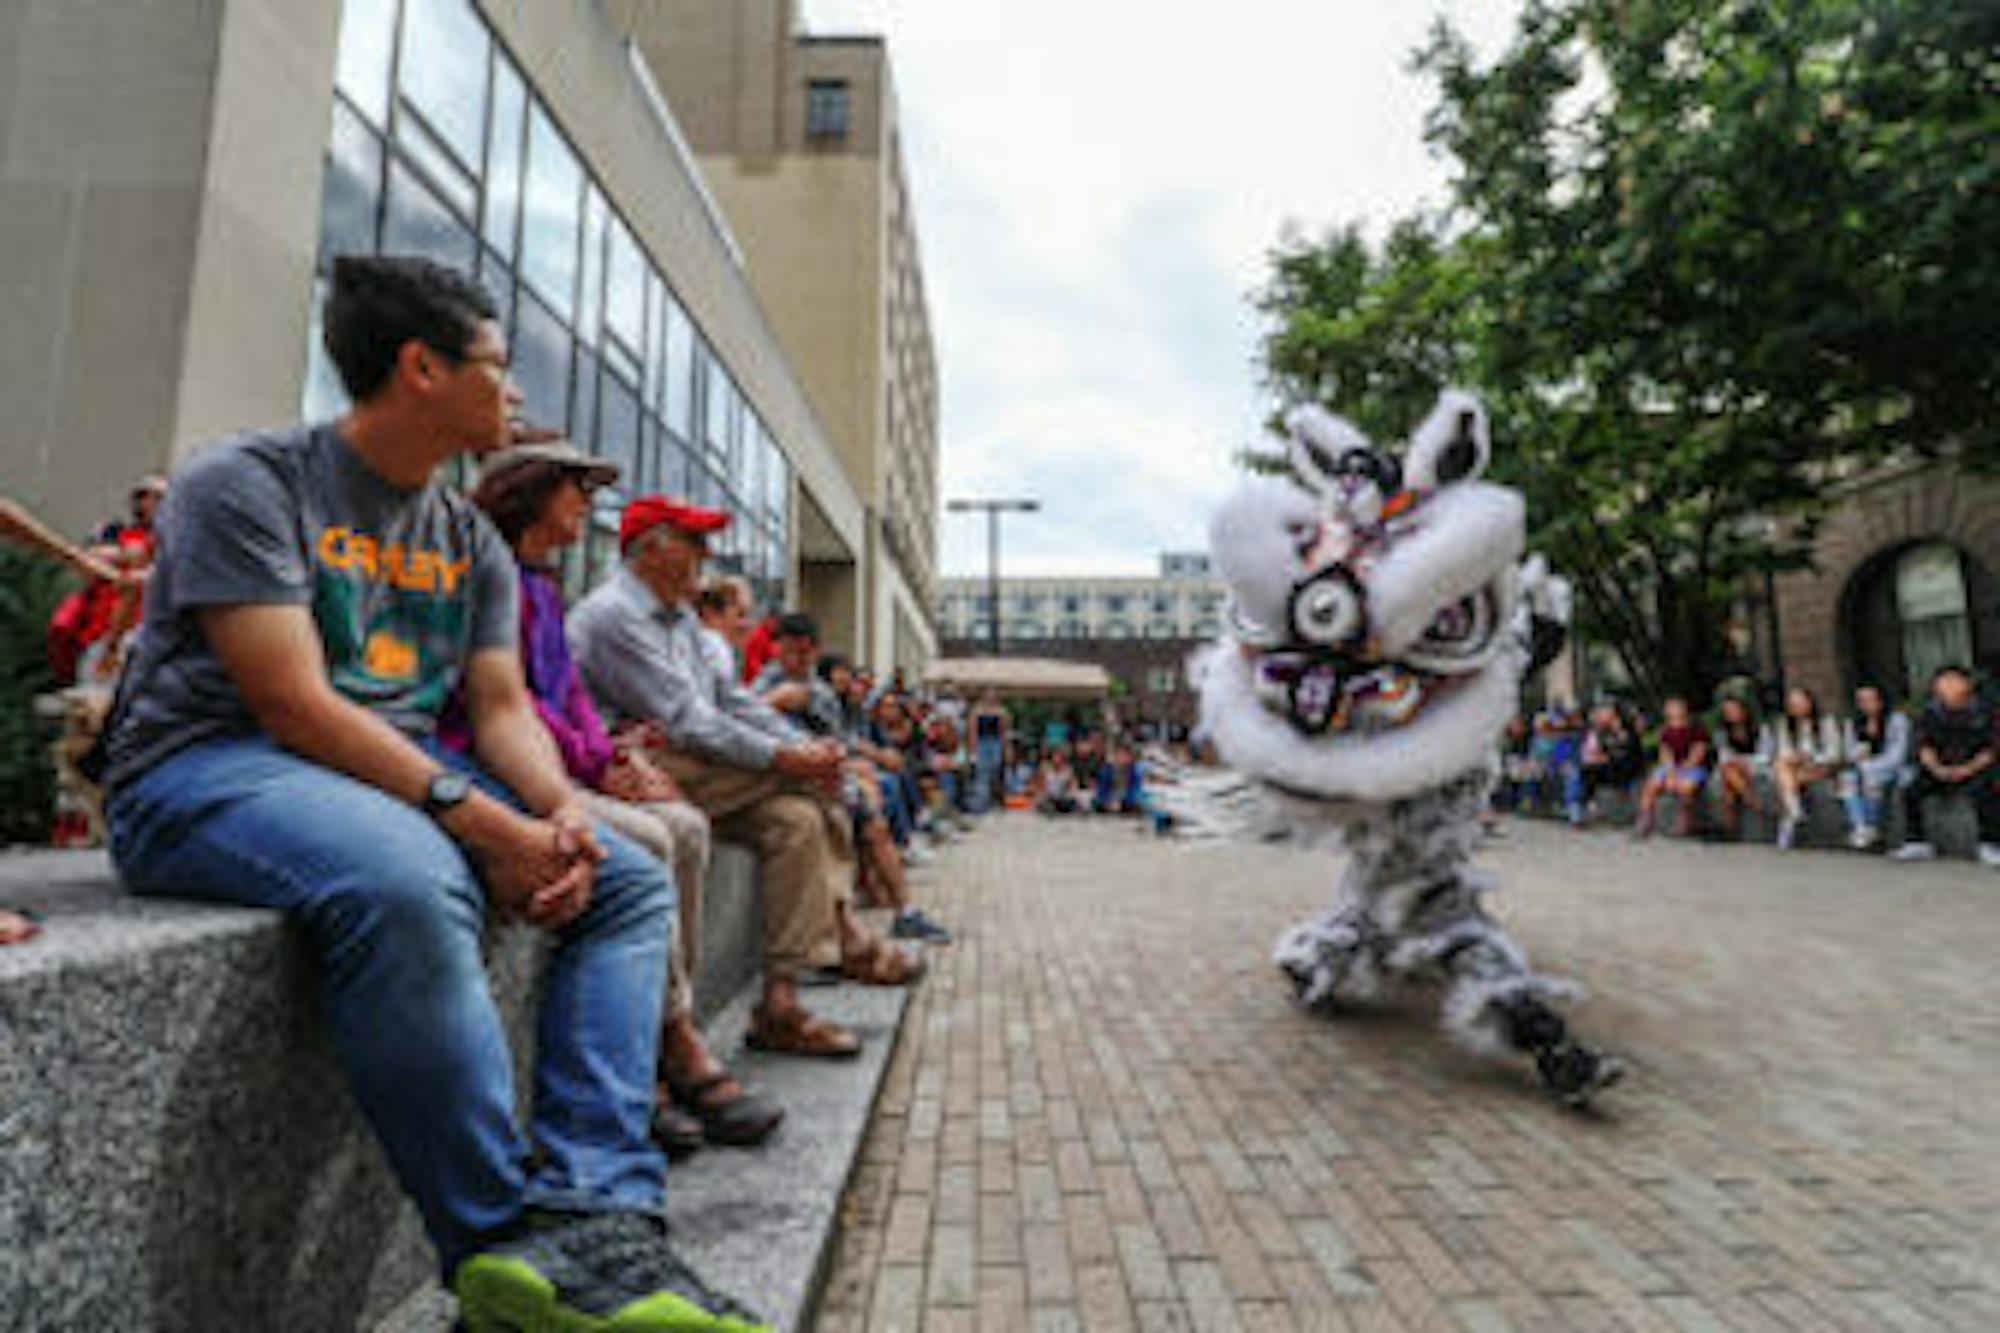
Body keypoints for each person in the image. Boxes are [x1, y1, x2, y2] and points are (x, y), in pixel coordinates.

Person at [97, 256, 762, 1328]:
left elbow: (500, 708)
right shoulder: (249, 482)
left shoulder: (465, 537)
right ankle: (497, 1243)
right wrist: (476, 819)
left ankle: (597, 1220)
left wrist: (555, 814)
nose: (514, 397)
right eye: (497, 368)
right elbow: (291, 702)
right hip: (205, 772)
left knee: (628, 880)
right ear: (419, 367)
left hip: (376, 777)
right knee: (411, 880)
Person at [465, 440, 782, 1158]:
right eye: (575, 488)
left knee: (687, 826)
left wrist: (608, 757)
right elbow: (504, 699)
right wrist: (599, 765)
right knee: (653, 837)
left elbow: (567, 696)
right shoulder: (504, 578)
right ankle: (664, 1047)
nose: (586, 504)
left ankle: (675, 1028)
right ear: (532, 491)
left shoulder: (543, 583)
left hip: (571, 764)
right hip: (508, 772)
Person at [569, 494, 924, 1062]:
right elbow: (688, 722)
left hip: (693, 763)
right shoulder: (612, 614)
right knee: (818, 787)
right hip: (635, 766)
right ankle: (849, 939)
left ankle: (780, 1005)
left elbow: (731, 700)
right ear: (654, 548)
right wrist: (792, 761)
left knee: (799, 819)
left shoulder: (678, 616)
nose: (705, 557)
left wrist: (800, 747)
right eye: (695, 543)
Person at [752, 616, 951, 945]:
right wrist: (776, 701)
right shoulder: (766, 683)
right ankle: (834, 933)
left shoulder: (820, 692)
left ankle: (906, 912)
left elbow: (839, 741)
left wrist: (851, 765)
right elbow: (740, 724)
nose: (794, 661)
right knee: (852, 806)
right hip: (782, 777)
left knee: (874, 818)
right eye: (787, 652)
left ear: (813, 651)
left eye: (802, 654)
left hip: (826, 775)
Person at [1891, 665, 2000, 865]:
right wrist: (1937, 768)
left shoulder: (1985, 711)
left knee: (1988, 790)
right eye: (1943, 681)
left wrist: (1968, 769)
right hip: (1940, 768)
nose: (1947, 686)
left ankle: (1990, 843)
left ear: (1967, 684)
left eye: (1953, 680)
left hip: (1975, 767)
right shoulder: (1930, 712)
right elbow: (1924, 746)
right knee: (1911, 788)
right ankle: (1917, 842)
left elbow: (1992, 749)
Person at [1770, 685, 1846, 850]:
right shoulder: (1785, 725)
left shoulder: (1826, 723)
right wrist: (1796, 757)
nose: (1797, 708)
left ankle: (1791, 815)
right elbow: (1783, 751)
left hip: (1822, 768)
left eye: (1800, 703)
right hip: (1796, 769)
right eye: (1793, 705)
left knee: (1785, 778)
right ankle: (1794, 812)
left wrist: (1811, 758)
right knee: (1782, 768)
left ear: (1809, 703)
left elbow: (1834, 753)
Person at [1839, 682, 1911, 850]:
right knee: (1847, 778)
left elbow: (1898, 754)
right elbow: (1849, 751)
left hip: (1894, 768)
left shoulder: (1896, 720)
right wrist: (1858, 757)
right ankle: (1861, 826)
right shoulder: (1855, 724)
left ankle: (1872, 826)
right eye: (1861, 700)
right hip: (1864, 767)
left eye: (1870, 699)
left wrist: (1870, 766)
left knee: (1871, 779)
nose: (1866, 704)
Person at [1634, 696, 1709, 838]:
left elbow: (1697, 754)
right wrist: (1670, 773)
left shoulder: (1697, 730)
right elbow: (1665, 754)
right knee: (1651, 784)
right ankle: (1645, 819)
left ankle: (1684, 820)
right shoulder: (1665, 731)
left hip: (1692, 767)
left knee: (1685, 788)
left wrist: (1680, 774)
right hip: (1672, 767)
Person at [1710, 693, 1773, 841]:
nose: (1731, 714)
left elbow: (1766, 756)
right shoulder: (1721, 731)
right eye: (1727, 711)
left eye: (1734, 710)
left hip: (1757, 767)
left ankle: (1729, 827)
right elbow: (1723, 756)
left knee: (1728, 775)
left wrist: (1744, 761)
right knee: (1728, 776)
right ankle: (1751, 800)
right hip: (1732, 769)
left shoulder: (1760, 729)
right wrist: (1737, 761)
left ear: (1744, 710)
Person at [1576, 702, 1645, 822]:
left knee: (1595, 768)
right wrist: (1601, 756)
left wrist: (1608, 756)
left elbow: (1631, 752)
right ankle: (1590, 806)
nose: (1599, 716)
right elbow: (1601, 751)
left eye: (1603, 713)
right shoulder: (1603, 732)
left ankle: (1595, 805)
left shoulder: (1627, 729)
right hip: (1610, 767)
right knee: (1587, 769)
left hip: (1628, 767)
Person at [968, 690, 1008, 814]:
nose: (990, 698)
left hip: (995, 742)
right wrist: (972, 749)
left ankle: (993, 800)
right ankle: (981, 803)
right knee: (982, 772)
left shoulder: (1001, 711)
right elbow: (972, 730)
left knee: (995, 770)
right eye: (988, 696)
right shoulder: (977, 711)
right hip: (982, 742)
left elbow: (1003, 731)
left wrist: (1005, 748)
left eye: (992, 696)